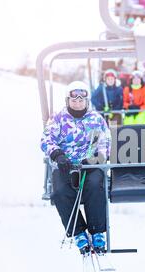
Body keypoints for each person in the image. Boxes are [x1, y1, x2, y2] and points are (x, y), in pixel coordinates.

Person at [41, 81, 111, 254]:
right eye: (74, 100)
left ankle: (96, 232)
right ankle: (78, 232)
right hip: (66, 165)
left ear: (86, 101)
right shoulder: (58, 118)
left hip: (90, 163)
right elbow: (46, 139)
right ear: (68, 100)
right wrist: (58, 154)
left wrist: (95, 159)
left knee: (95, 186)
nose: (78, 103)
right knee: (59, 192)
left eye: (81, 100)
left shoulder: (96, 119)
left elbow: (106, 141)